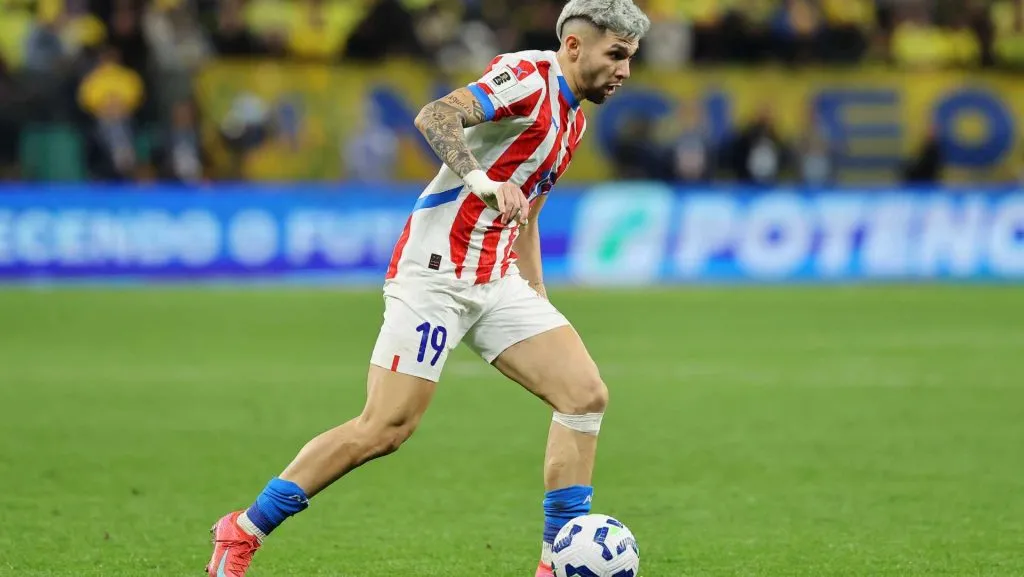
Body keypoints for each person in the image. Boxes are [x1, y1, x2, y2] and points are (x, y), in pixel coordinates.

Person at [205, 1, 650, 575]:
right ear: (573, 46)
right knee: (385, 428)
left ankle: (552, 565)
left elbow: (528, 212)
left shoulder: (574, 121)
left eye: (630, 58)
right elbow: (435, 116)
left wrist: (537, 292)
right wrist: (480, 180)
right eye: (616, 54)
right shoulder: (527, 78)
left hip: (496, 278)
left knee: (584, 396)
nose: (624, 71)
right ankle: (243, 529)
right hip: (435, 276)